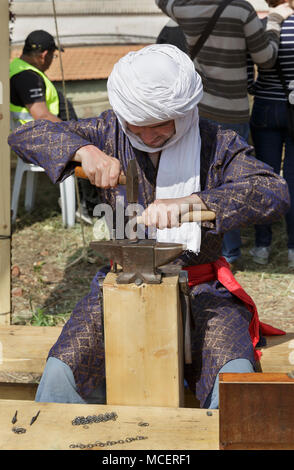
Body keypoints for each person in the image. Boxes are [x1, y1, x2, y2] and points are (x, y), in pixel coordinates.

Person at [8, 45, 289, 409]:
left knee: (235, 380)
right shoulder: (107, 131)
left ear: (185, 112)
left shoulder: (217, 143)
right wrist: (83, 151)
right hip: (120, 289)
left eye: (161, 125)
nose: (149, 136)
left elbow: (273, 192)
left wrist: (194, 203)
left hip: (203, 292)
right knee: (64, 371)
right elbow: (25, 137)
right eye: (137, 125)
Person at [155, 0, 294, 269]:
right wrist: (275, 21)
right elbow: (266, 59)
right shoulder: (241, 10)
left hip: (199, 108)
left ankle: (222, 252)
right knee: (233, 181)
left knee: (207, 181)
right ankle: (243, 251)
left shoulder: (183, 8)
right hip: (234, 109)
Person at [10, 29, 95, 224]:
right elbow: (41, 115)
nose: (51, 61)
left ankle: (83, 204)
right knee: (88, 150)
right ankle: (85, 207)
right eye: (53, 56)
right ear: (44, 55)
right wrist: (75, 133)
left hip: (31, 136)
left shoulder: (16, 68)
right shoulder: (27, 76)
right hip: (37, 139)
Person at [248, 0, 294, 268]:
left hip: (265, 107)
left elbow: (255, 61)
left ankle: (261, 246)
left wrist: (255, 86)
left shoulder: (262, 26)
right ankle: (292, 249)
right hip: (293, 108)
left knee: (263, 177)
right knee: (292, 179)